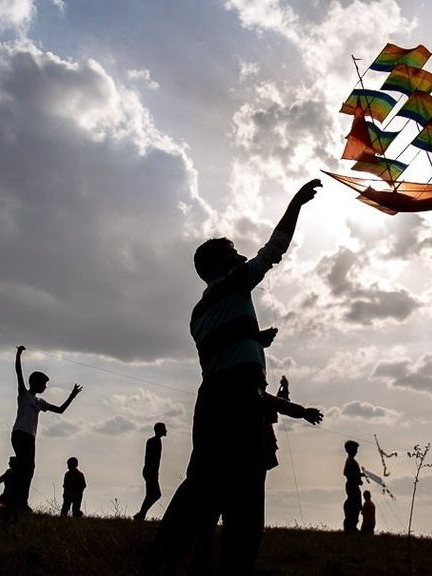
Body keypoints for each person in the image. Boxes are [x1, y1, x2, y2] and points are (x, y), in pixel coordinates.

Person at [143, 179, 321, 576]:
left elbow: (222, 351)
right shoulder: (236, 284)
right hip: (241, 401)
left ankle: (165, 563)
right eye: (233, 253)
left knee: (200, 491)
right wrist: (296, 203)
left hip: (211, 404)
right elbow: (274, 250)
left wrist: (255, 339)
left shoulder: (199, 313)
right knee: (245, 505)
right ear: (221, 266)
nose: (241, 256)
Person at [10, 345, 82, 512]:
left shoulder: (39, 402)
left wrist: (72, 395)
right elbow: (18, 373)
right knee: (24, 467)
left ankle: (21, 501)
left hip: (30, 437)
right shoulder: (24, 394)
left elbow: (60, 410)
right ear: (35, 383)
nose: (45, 387)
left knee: (29, 468)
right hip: (20, 434)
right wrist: (18, 354)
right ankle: (16, 500)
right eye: (43, 384)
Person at [134, 422, 167, 521]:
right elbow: (150, 459)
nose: (166, 431)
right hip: (150, 471)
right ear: (159, 430)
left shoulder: (155, 441)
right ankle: (141, 514)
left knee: (151, 494)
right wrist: (152, 472)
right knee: (155, 494)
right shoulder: (154, 441)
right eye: (164, 429)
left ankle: (141, 515)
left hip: (150, 471)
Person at [343, 440, 365, 532]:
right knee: (354, 504)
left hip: (354, 485)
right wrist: (357, 477)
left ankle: (352, 525)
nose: (356, 451)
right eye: (355, 449)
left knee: (356, 504)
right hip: (352, 486)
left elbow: (353, 473)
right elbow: (346, 473)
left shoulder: (352, 461)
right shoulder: (350, 461)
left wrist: (360, 476)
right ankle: (350, 525)